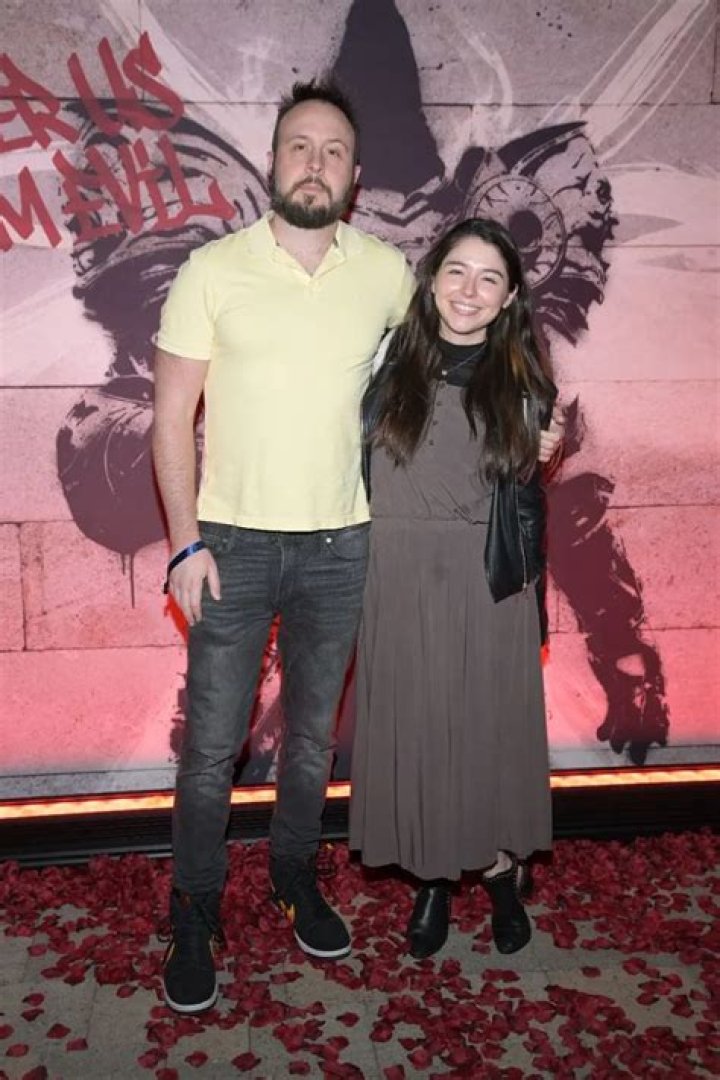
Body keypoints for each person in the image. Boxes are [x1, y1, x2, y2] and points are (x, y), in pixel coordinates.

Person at [152, 79, 415, 1014]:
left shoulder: (387, 273)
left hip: (343, 545)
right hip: (230, 545)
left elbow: (455, 363)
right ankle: (194, 907)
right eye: (299, 146)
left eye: (333, 151)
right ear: (271, 161)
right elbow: (170, 417)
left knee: (310, 740)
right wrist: (184, 546)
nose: (315, 163)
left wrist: (534, 421)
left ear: (355, 175)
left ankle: (294, 875)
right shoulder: (212, 270)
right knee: (211, 748)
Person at [349, 217, 557, 960]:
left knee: (482, 732)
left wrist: (549, 443)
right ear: (432, 279)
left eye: (489, 278)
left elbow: (528, 489)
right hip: (394, 574)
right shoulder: (384, 360)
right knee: (418, 728)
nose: (470, 290)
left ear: (509, 297)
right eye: (457, 271)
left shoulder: (525, 384)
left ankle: (499, 873)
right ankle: (434, 877)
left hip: (481, 581)